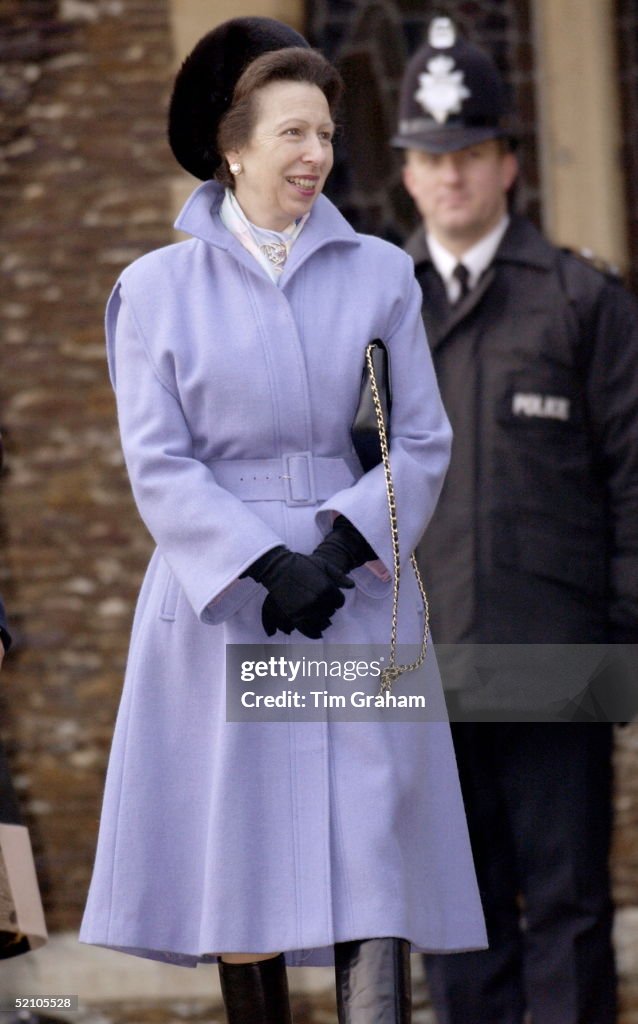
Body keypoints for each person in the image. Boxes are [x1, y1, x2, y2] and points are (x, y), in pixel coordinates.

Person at [79, 17, 486, 1024]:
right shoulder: (153, 291)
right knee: (241, 851)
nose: (317, 155)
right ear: (233, 145)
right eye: (293, 134)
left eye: (325, 135)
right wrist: (263, 562)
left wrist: (345, 542)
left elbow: (420, 440)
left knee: (372, 843)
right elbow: (160, 463)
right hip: (221, 605)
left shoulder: (381, 273)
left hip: (356, 598)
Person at [394, 16, 638, 1024]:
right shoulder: (376, 313)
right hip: (423, 663)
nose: (448, 177)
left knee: (570, 910)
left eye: (468, 154)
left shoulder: (581, 302)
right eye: (428, 157)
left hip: (556, 661)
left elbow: (630, 484)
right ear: (406, 173)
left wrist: (620, 647)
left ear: (505, 163)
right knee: (457, 916)